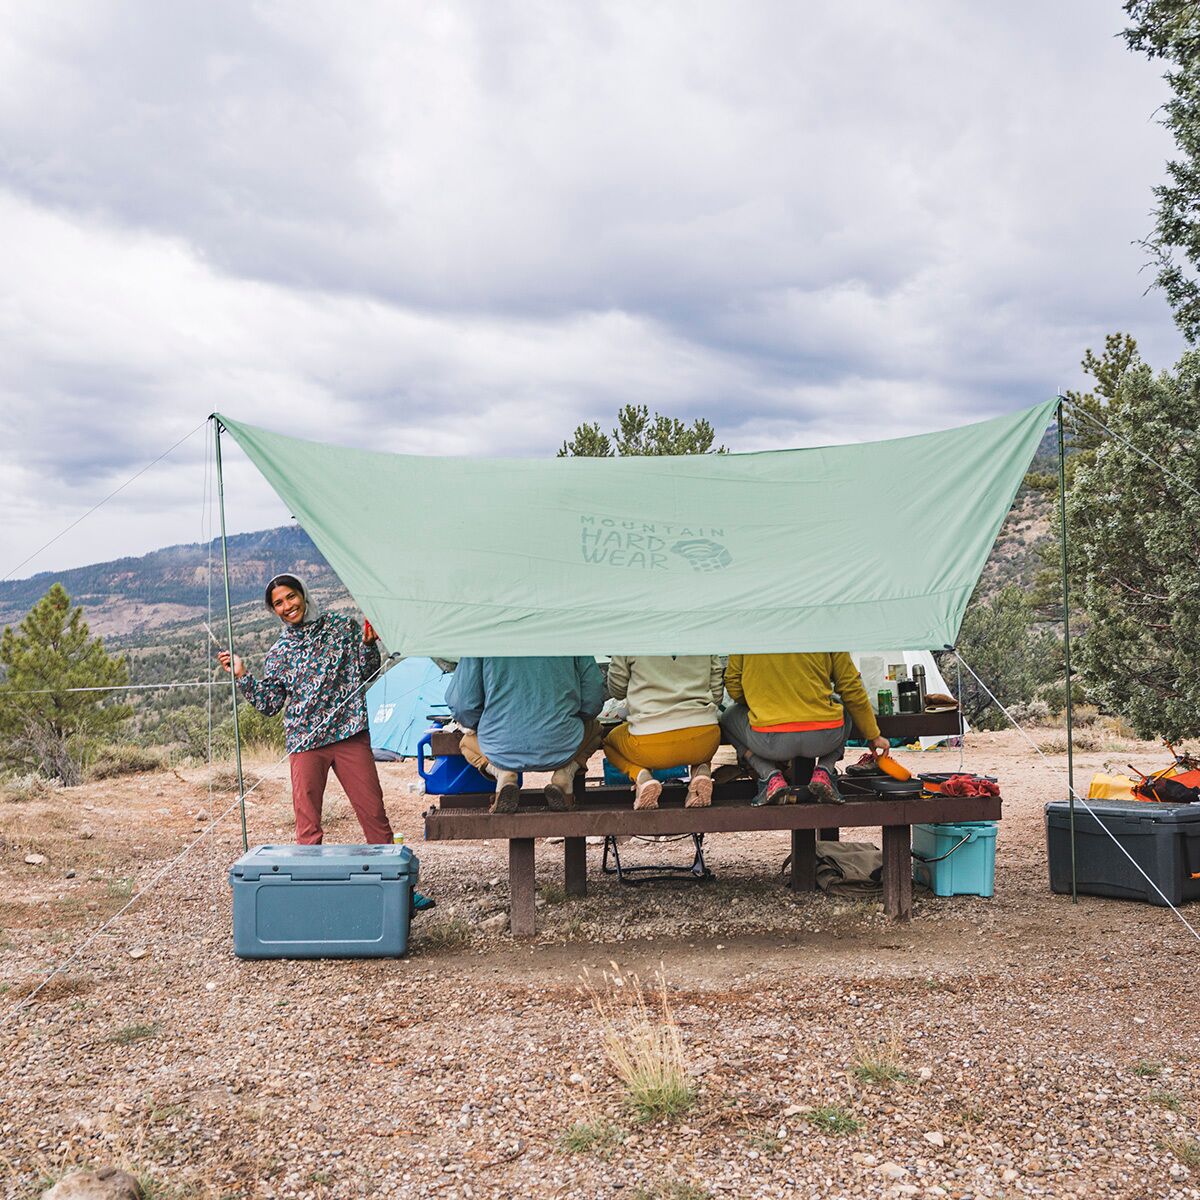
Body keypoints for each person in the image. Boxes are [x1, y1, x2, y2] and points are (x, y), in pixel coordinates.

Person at [217, 573, 394, 845]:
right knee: (308, 829)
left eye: (291, 597)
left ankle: (392, 873)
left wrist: (369, 645)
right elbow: (270, 704)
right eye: (278, 603)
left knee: (374, 815)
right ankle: (309, 873)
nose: (287, 606)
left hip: (350, 734)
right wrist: (242, 675)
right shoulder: (279, 652)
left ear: (304, 594)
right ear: (273, 610)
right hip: (305, 742)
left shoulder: (341, 627)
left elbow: (367, 673)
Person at [720, 652, 890, 806]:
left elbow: (733, 685)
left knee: (727, 716)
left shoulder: (747, 634)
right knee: (844, 707)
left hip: (768, 741)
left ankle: (769, 775)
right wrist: (873, 735)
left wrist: (759, 704)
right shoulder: (830, 632)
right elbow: (851, 688)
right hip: (824, 738)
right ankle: (825, 769)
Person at [446, 656, 605, 813]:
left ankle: (503, 773)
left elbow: (463, 707)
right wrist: (570, 718)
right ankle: (565, 775)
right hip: (563, 744)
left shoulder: (479, 642)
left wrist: (485, 725)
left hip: (500, 748)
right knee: (595, 729)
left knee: (467, 743)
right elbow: (593, 699)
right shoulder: (572, 639)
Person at [603, 655, 725, 809]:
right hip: (705, 740)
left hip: (649, 746)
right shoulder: (705, 640)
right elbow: (717, 696)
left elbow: (617, 691)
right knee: (699, 736)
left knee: (608, 742)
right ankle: (701, 772)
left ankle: (641, 777)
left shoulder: (629, 642)